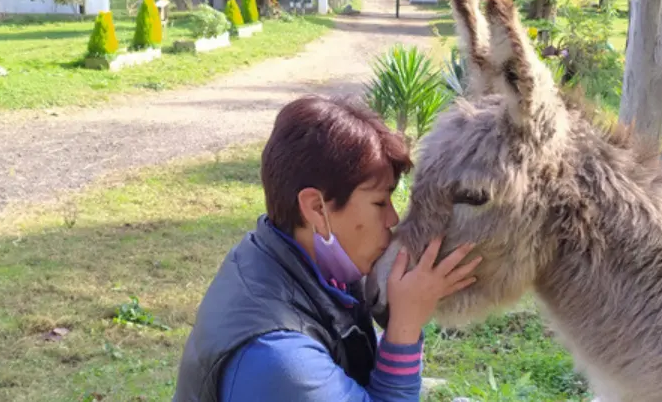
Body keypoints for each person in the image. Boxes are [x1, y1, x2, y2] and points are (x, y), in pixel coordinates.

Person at [172, 94, 481, 401]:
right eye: (379, 202)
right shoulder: (280, 360)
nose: (393, 218)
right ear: (316, 209)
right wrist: (405, 326)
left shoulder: (282, 255)